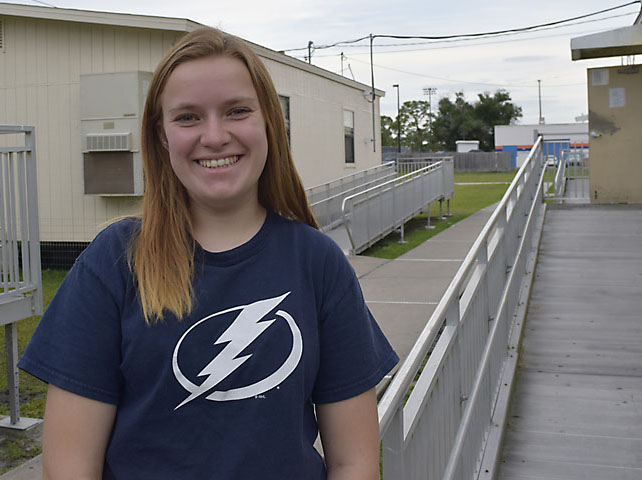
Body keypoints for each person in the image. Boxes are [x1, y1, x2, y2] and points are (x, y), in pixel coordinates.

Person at [19, 26, 398, 479]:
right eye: (188, 117)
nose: (214, 136)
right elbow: (69, 466)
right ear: (161, 136)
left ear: (268, 125)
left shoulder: (317, 263)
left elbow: (353, 461)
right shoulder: (115, 262)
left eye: (237, 111)